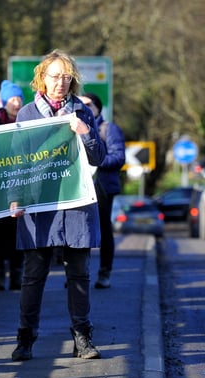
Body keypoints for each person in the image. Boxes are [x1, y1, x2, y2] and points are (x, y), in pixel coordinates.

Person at [9, 50, 106, 361]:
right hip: (39, 208)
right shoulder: (26, 115)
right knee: (33, 276)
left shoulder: (83, 112)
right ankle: (25, 340)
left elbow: (98, 157)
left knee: (79, 275)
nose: (61, 82)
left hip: (76, 206)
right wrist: (15, 197)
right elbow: (16, 161)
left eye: (66, 77)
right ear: (42, 78)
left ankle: (83, 339)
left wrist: (86, 133)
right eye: (55, 76)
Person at [78, 93, 126, 289]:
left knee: (104, 230)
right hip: (80, 186)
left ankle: (104, 272)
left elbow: (118, 157)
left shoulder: (108, 129)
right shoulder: (74, 128)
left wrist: (96, 162)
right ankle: (78, 274)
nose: (84, 107)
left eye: (88, 104)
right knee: (79, 230)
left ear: (97, 108)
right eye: (80, 103)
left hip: (102, 186)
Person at [0, 80, 25, 291]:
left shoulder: (29, 122)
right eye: (12, 99)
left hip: (21, 183)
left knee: (18, 231)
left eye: (19, 98)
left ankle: (17, 274)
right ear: (5, 101)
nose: (16, 103)